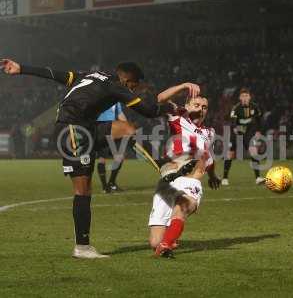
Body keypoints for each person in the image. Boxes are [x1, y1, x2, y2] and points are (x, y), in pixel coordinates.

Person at [2, 58, 201, 259]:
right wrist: (172, 109)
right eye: (134, 86)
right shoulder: (117, 86)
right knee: (83, 190)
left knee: (126, 129)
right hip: (72, 132)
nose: (133, 90)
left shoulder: (89, 75)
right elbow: (148, 111)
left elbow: (55, 74)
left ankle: (163, 167)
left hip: (85, 128)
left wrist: (22, 69)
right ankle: (82, 247)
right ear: (129, 81)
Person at [147, 83, 221, 258]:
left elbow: (208, 158)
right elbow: (160, 98)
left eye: (204, 107)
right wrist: (184, 85)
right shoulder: (178, 116)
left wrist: (212, 176)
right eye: (196, 105)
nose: (201, 109)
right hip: (168, 181)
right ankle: (164, 242)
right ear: (186, 106)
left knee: (184, 205)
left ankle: (166, 245)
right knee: (154, 242)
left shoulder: (209, 133)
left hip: (190, 179)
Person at [222, 88, 264, 185]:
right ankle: (225, 178)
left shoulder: (255, 107)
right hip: (236, 133)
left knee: (254, 152)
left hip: (249, 133)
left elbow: (259, 119)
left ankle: (258, 178)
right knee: (230, 154)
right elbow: (232, 120)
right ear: (240, 98)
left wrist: (258, 131)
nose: (245, 98)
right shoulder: (236, 108)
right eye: (243, 96)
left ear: (249, 97)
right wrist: (235, 128)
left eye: (246, 96)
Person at [96, 102, 128, 193]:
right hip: (101, 127)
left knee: (120, 157)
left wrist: (128, 126)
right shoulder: (99, 96)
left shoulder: (115, 99)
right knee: (102, 158)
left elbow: (120, 114)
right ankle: (104, 187)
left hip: (113, 127)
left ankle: (111, 183)